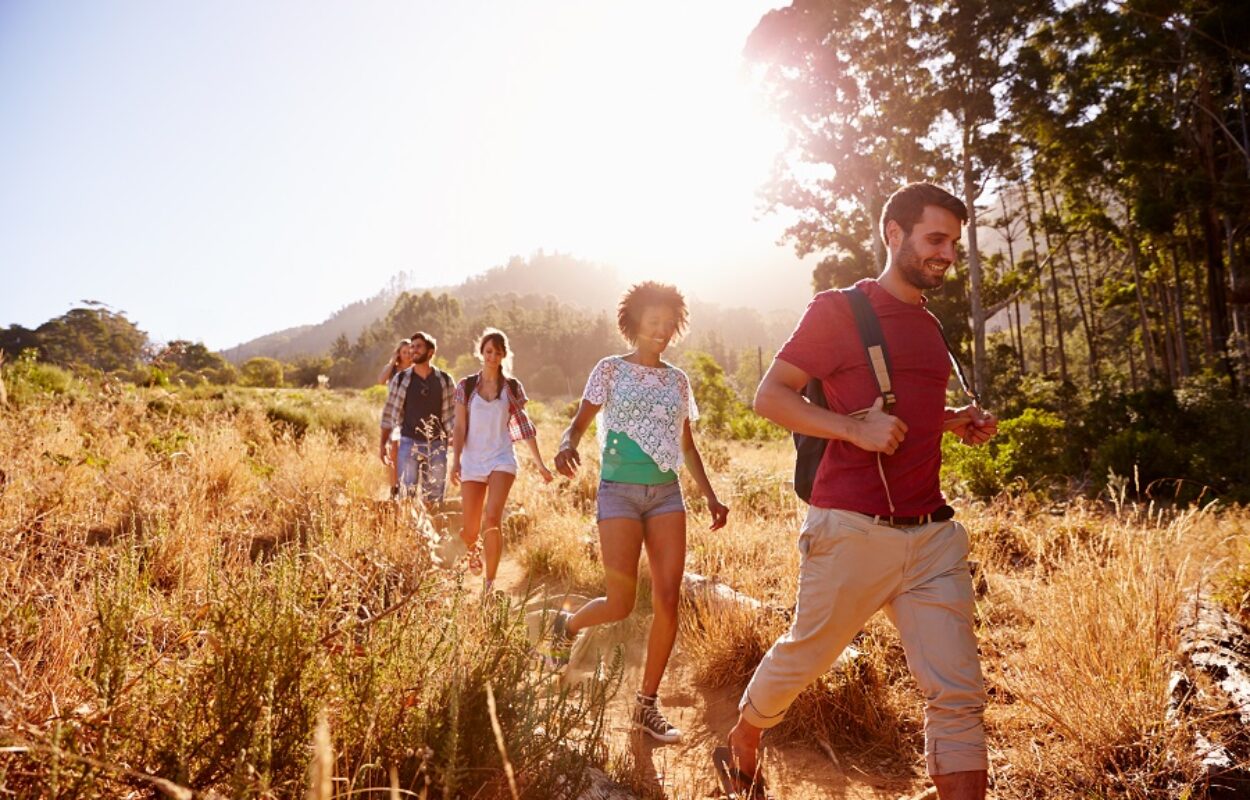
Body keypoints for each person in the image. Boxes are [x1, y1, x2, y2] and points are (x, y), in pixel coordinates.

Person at [717, 183, 998, 800]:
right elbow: (770, 396)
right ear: (892, 234)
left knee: (959, 695)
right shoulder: (839, 310)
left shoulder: (928, 322)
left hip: (933, 539)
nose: (947, 254)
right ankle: (744, 733)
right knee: (805, 657)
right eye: (934, 239)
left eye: (953, 242)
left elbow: (904, 410)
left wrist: (957, 420)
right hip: (849, 530)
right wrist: (851, 429)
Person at [551, 281, 730, 744]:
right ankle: (566, 625)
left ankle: (645, 706)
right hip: (619, 495)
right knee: (621, 602)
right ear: (633, 324)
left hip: (667, 495)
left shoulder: (677, 380)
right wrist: (567, 445)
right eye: (654, 324)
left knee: (668, 599)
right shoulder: (609, 371)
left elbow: (686, 445)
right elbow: (578, 424)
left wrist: (710, 495)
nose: (662, 333)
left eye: (670, 325)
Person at [450, 328, 554, 592]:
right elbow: (460, 428)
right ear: (481, 353)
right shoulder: (466, 386)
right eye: (488, 351)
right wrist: (456, 461)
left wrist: (540, 464)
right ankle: (473, 550)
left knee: (492, 518)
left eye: (497, 352)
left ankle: (489, 584)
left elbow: (525, 426)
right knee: (471, 527)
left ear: (503, 355)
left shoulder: (512, 387)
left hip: (501, 458)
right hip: (472, 460)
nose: (492, 357)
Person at [379, 331, 455, 507]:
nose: (413, 350)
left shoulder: (445, 380)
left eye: (418, 346)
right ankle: (407, 533)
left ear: (430, 352)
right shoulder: (401, 379)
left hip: (437, 446)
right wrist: (383, 444)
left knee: (435, 498)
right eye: (411, 347)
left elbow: (452, 416)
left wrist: (454, 439)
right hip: (408, 443)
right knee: (406, 496)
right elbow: (389, 413)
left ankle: (431, 531)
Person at [379, 338, 414, 498]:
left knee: (409, 453)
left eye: (409, 352)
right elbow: (380, 381)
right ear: (399, 353)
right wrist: (393, 361)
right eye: (404, 352)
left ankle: (408, 487)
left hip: (410, 414)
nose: (407, 355)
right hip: (394, 414)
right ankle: (394, 489)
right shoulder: (393, 370)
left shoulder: (416, 370)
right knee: (393, 450)